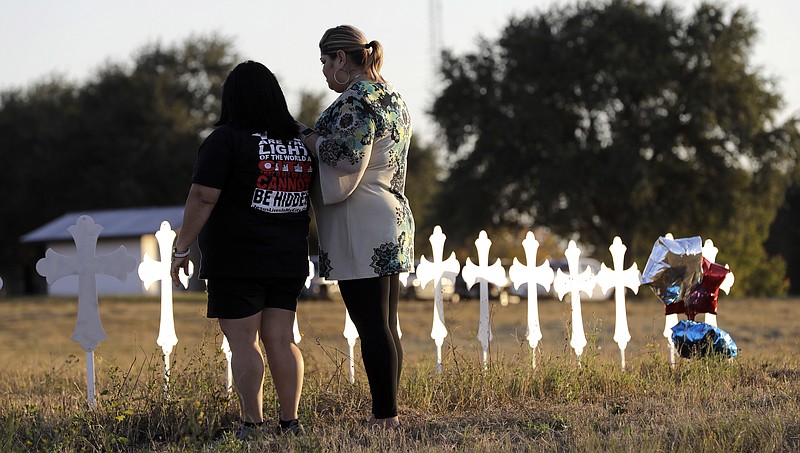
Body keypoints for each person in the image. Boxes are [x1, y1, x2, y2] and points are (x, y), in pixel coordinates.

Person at [170, 60, 311, 440]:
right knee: (282, 340)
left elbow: (202, 196)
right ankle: (290, 423)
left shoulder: (225, 139)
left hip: (237, 259)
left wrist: (181, 247)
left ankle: (251, 423)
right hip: (288, 258)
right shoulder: (299, 143)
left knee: (244, 342)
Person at [298, 25, 414, 429]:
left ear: (341, 59)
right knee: (385, 325)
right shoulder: (391, 95)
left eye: (325, 63)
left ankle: (385, 417)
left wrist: (310, 139)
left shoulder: (356, 101)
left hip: (359, 223)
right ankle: (390, 411)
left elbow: (347, 158)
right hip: (390, 216)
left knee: (371, 326)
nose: (325, 72)